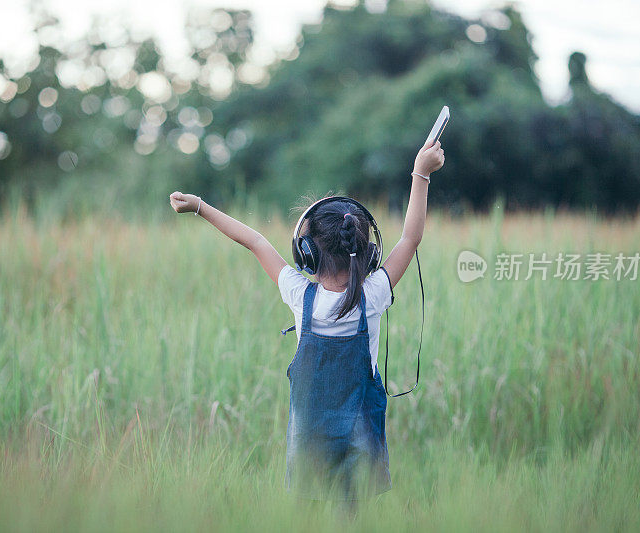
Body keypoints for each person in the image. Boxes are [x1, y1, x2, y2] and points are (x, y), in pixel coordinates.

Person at [168, 138, 445, 512]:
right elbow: (411, 238)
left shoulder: (300, 296)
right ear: (369, 252)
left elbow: (253, 240)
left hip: (309, 445)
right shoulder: (375, 292)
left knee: (309, 516)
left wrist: (200, 206)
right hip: (360, 443)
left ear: (306, 254)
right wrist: (420, 173)